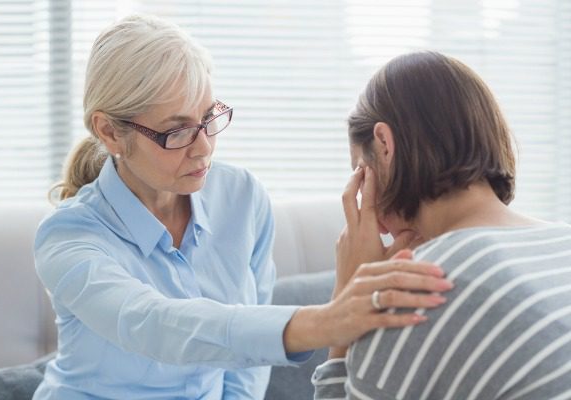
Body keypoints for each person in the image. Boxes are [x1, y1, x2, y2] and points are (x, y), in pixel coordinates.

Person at [32, 16, 453, 399]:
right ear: (109, 132)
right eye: (176, 130)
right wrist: (327, 322)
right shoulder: (69, 237)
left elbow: (246, 366)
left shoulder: (242, 198)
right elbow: (155, 323)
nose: (204, 148)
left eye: (208, 118)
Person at [312, 51, 571, 400]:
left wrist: (350, 294)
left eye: (361, 171)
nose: (380, 228)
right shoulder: (562, 240)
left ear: (384, 144)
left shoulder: (418, 284)